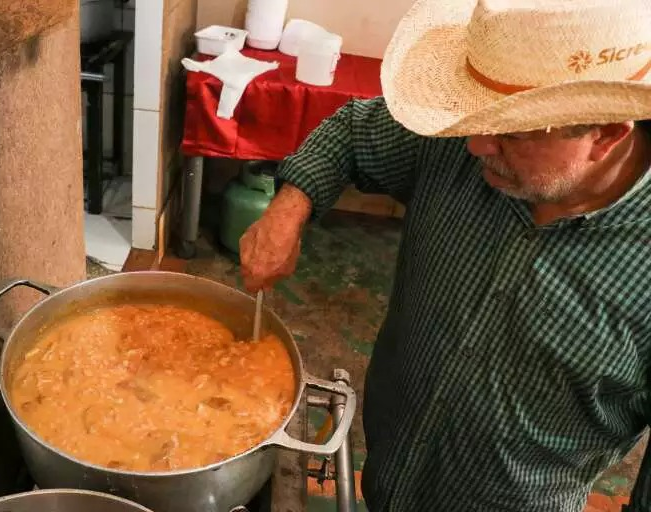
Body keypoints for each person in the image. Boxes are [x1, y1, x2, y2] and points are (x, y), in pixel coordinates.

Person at [239, 0, 651, 510]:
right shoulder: (463, 140)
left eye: (511, 131)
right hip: (388, 469)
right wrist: (288, 208)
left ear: (606, 135)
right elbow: (352, 132)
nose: (476, 144)